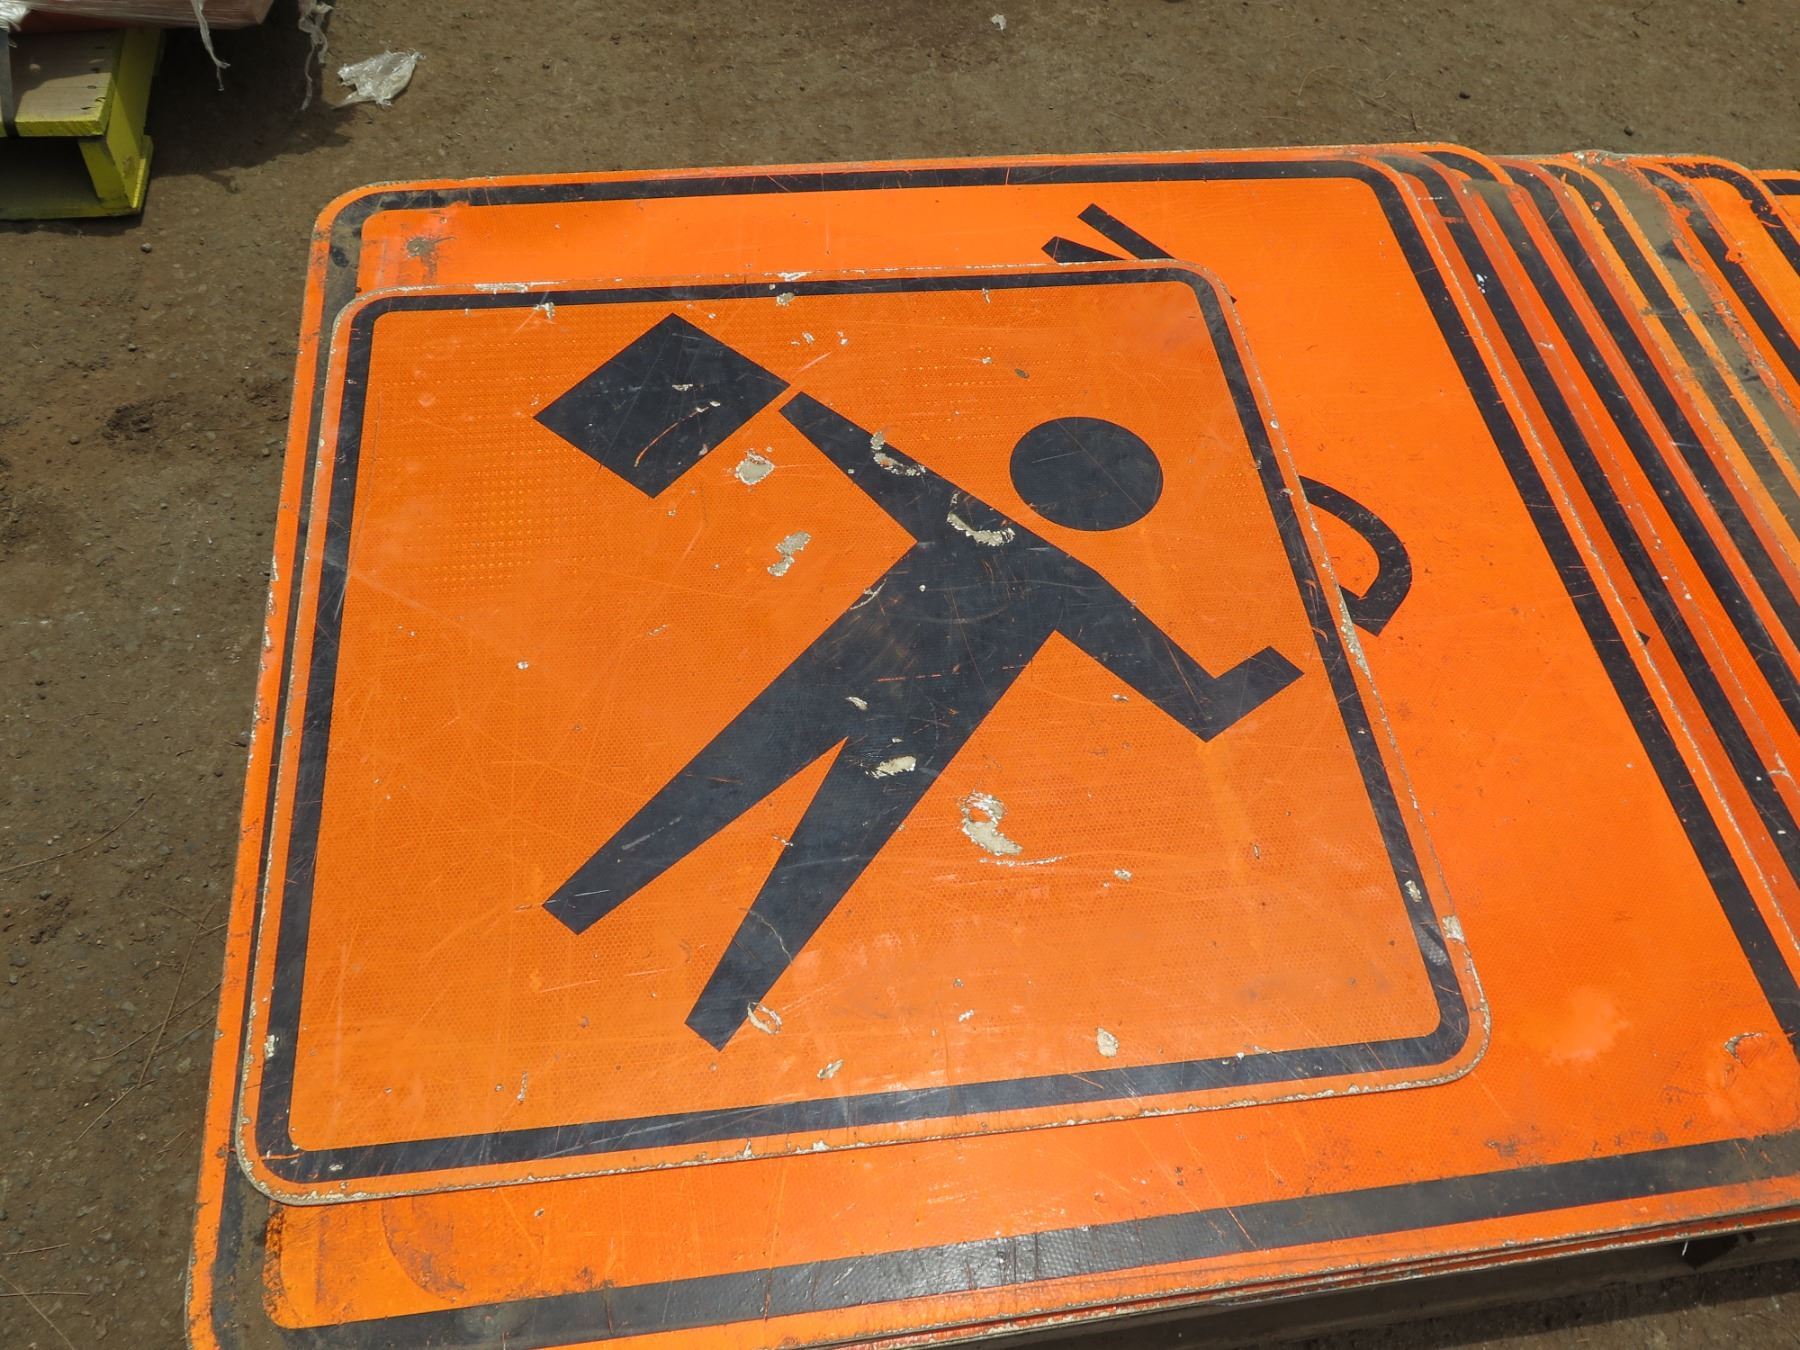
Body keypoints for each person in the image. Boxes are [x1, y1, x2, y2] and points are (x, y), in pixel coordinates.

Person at [545, 391, 1302, 1048]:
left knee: (741, 815)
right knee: (803, 857)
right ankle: (692, 1009)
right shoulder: (1071, 579)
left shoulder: (968, 517)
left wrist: (1301, 643)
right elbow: (1203, 703)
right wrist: (1295, 647)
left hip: (858, 694)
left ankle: (602, 948)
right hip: (902, 714)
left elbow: (849, 442)